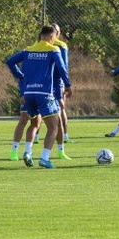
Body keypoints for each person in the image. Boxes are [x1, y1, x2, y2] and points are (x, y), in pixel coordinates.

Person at [5, 25, 68, 169]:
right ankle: (45, 158)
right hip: (45, 94)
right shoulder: (54, 49)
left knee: (34, 124)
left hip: (28, 94)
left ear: (40, 36)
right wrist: (68, 85)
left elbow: (10, 61)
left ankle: (27, 152)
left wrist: (20, 76)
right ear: (52, 37)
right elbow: (62, 68)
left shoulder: (28, 50)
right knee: (54, 126)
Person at [51, 23, 72, 158]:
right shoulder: (59, 46)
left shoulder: (60, 45)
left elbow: (63, 67)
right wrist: (67, 83)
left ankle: (64, 136)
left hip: (56, 83)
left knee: (60, 109)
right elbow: (63, 66)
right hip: (51, 83)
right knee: (59, 110)